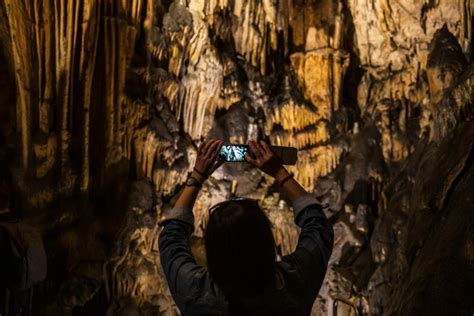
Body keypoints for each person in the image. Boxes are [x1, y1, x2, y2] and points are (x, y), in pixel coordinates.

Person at [159, 140, 334, 315]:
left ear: (211, 252)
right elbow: (318, 226)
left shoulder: (195, 292)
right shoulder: (295, 283)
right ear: (268, 244)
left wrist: (197, 176)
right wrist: (280, 173)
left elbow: (171, 237)